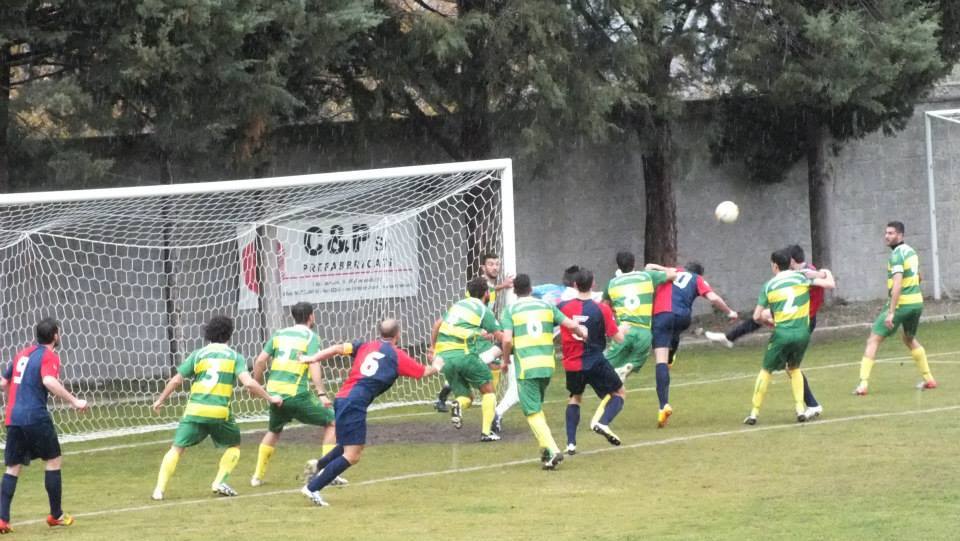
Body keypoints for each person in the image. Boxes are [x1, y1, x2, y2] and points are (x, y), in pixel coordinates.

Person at [299, 319, 443, 506]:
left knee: (345, 445)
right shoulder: (396, 355)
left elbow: (336, 348)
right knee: (353, 455)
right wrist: (438, 364)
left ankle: (318, 466)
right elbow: (423, 372)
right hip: (355, 403)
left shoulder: (365, 345)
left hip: (343, 398)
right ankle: (312, 488)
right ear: (398, 335)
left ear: (380, 333)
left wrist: (312, 358)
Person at [151, 315, 282, 500]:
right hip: (219, 412)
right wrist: (270, 398)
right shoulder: (234, 356)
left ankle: (159, 490)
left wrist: (160, 399)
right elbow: (249, 383)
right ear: (230, 334)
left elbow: (176, 380)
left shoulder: (198, 354)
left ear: (208, 334)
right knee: (234, 446)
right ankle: (219, 481)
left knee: (177, 448)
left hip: (194, 410)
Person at [706, 245, 824, 418]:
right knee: (791, 367)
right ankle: (729, 337)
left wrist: (823, 274)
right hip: (797, 319)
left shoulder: (802, 275)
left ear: (789, 262)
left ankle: (806, 405)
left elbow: (828, 282)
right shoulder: (802, 275)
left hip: (802, 319)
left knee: (785, 366)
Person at [0, 318, 88, 533]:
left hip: (14, 417)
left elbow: (3, 382)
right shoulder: (49, 356)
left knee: (12, 467)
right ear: (55, 335)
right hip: (35, 417)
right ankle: (56, 515)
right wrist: (75, 401)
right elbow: (49, 381)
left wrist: (14, 402)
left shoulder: (22, 353)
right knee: (53, 460)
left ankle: (2, 519)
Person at [499, 274, 587, 469]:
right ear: (531, 288)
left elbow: (506, 340)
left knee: (532, 411)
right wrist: (583, 334)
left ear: (514, 291)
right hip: (547, 365)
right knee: (537, 408)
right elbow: (571, 324)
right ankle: (546, 453)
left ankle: (553, 449)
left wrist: (505, 361)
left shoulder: (511, 310)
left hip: (528, 367)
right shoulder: (546, 306)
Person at [250, 302, 341, 488]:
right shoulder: (310, 337)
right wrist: (322, 393)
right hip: (296, 394)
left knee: (274, 431)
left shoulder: (279, 334)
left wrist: (255, 384)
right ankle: (326, 472)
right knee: (333, 422)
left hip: (275, 393)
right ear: (311, 316)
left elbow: (260, 360)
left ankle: (256, 477)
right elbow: (314, 363)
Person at [743, 250, 835, 425]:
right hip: (803, 333)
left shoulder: (769, 285)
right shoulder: (801, 278)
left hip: (782, 334)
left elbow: (756, 316)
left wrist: (770, 322)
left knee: (766, 370)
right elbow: (828, 283)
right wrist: (827, 272)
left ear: (775, 266)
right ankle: (800, 409)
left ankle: (754, 413)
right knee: (794, 368)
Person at [854, 221, 936, 395]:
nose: (887, 236)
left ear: (900, 235)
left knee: (873, 339)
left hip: (902, 304)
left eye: (891, 233)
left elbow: (897, 283)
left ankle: (863, 384)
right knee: (908, 338)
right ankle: (929, 379)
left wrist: (891, 312)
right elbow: (919, 276)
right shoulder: (911, 252)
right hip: (916, 303)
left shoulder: (897, 255)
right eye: (886, 233)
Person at [602, 252, 675, 429]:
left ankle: (606, 400)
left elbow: (604, 305)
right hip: (644, 332)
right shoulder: (647, 276)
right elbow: (673, 274)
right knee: (637, 359)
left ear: (618, 266)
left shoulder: (612, 283)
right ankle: (628, 368)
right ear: (634, 263)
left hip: (623, 330)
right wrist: (655, 267)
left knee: (602, 367)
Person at [434, 252, 513, 412]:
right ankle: (490, 401)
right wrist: (504, 286)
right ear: (483, 267)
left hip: (476, 336)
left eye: (497, 264)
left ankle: (444, 395)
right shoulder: (480, 286)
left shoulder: (488, 288)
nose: (495, 267)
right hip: (469, 338)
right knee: (492, 363)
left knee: (488, 363)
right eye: (491, 264)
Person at [559, 269, 626, 454]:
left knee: (574, 398)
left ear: (574, 285)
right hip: (595, 361)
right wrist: (624, 328)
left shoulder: (562, 306)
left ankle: (571, 444)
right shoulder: (601, 308)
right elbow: (618, 338)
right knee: (619, 393)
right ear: (593, 284)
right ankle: (602, 423)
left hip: (572, 363)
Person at [430, 276, 503, 441]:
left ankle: (458, 404)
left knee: (466, 397)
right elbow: (501, 336)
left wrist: (432, 348)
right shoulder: (484, 310)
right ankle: (486, 433)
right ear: (486, 293)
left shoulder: (457, 305)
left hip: (444, 358)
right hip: (464, 355)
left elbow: (437, 324)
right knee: (488, 391)